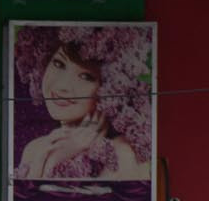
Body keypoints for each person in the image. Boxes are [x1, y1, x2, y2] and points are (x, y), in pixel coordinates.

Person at [11, 26, 149, 182]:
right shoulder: (36, 148)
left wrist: (57, 157)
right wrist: (61, 152)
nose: (63, 85)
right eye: (58, 64)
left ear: (112, 87)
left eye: (86, 76)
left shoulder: (122, 154)